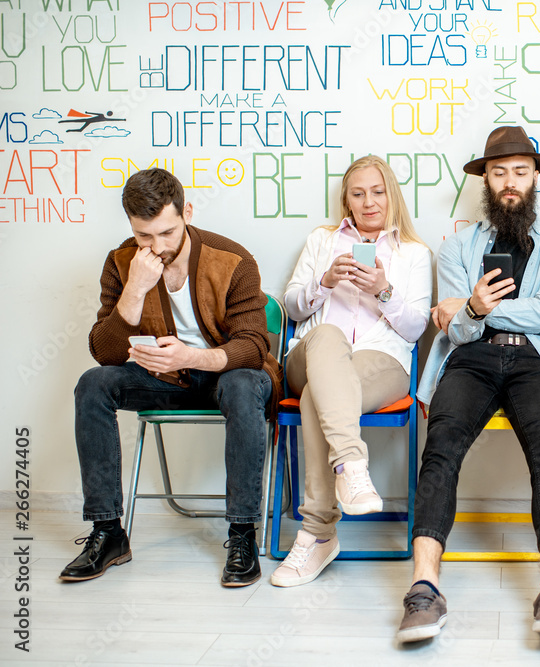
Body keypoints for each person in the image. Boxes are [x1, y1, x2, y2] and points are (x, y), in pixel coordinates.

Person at [396, 126, 540, 642]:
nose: (509, 182)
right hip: (470, 359)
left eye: (520, 172)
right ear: (485, 179)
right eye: (499, 172)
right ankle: (423, 587)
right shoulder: (456, 248)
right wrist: (472, 311)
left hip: (536, 362)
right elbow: (456, 329)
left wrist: (479, 307)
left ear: (534, 179)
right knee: (441, 448)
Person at [61, 168, 281, 587]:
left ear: (187, 213)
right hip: (165, 381)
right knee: (93, 382)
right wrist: (134, 291)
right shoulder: (123, 262)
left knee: (242, 383)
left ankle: (242, 535)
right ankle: (108, 533)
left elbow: (255, 347)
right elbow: (104, 352)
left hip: (227, 377)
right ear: (131, 226)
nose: (157, 247)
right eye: (145, 236)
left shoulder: (232, 258)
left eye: (167, 233)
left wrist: (194, 357)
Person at [271, 156, 431, 587]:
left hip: (381, 361)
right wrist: (324, 282)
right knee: (325, 340)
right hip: (313, 353)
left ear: (391, 195)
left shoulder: (413, 253)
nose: (368, 202)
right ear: (346, 199)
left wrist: (383, 290)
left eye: (377, 191)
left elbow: (416, 327)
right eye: (358, 193)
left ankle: (318, 534)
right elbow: (290, 306)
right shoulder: (322, 240)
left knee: (316, 398)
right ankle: (352, 464)